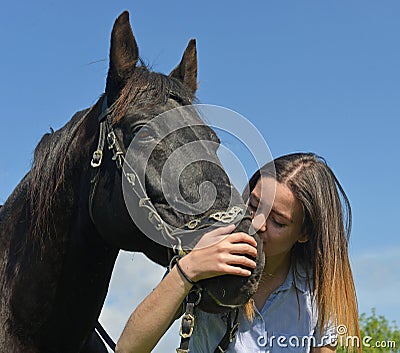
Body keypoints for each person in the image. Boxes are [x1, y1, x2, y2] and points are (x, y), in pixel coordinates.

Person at [115, 153, 360, 353]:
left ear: (304, 233)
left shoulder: (319, 291)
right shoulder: (209, 254)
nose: (258, 223)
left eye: (278, 221)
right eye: (254, 205)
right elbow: (128, 349)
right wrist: (189, 269)